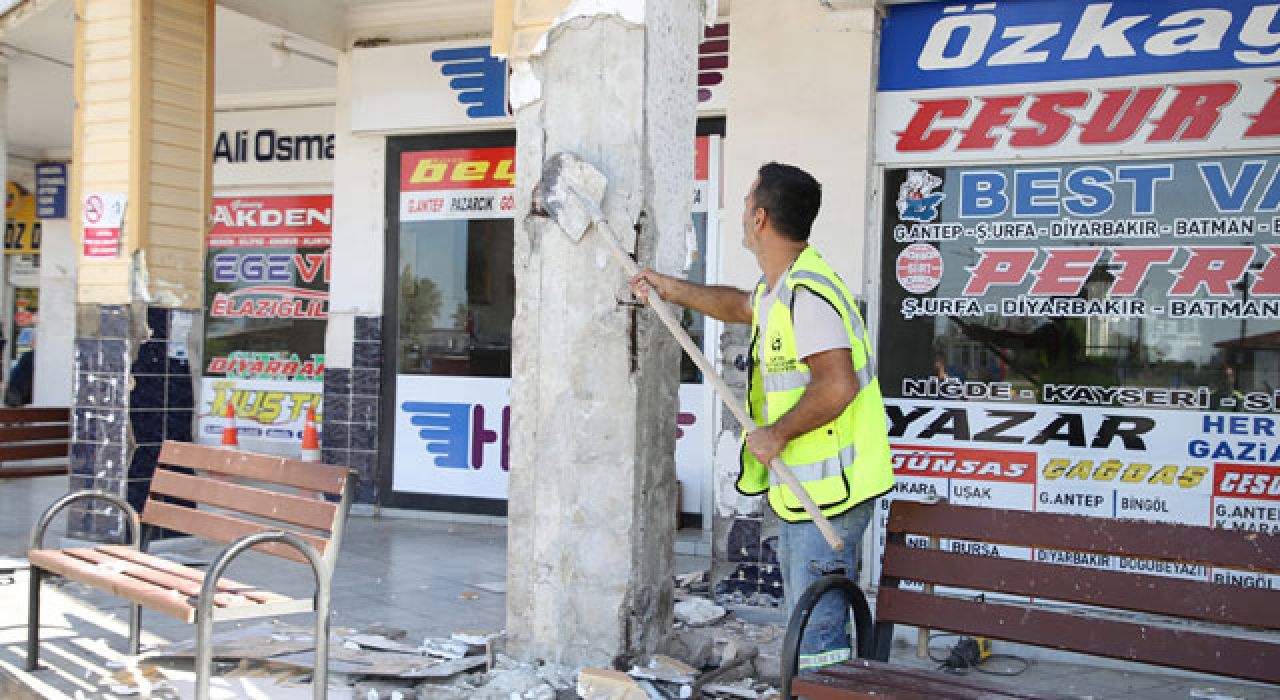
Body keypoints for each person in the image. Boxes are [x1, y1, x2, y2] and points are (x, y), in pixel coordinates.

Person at [631, 162, 894, 670]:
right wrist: (668, 287)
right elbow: (738, 305)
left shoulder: (808, 294)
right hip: (814, 491)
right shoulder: (783, 288)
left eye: (747, 198)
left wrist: (777, 432)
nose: (741, 209)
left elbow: (838, 385)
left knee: (818, 631)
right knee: (810, 617)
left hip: (830, 495)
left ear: (759, 218)